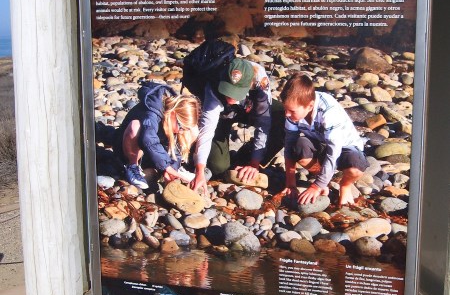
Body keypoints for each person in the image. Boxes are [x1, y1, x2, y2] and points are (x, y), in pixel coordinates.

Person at [190, 57, 284, 195]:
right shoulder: (214, 84)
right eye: (228, 90)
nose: (231, 98)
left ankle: (248, 157)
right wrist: (199, 171)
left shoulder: (260, 79)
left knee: (283, 116)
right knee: (218, 168)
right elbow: (207, 130)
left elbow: (264, 124)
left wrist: (254, 163)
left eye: (236, 93)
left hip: (251, 108)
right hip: (223, 116)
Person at [280, 73, 369, 206]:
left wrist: (316, 186)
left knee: (355, 168)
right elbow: (289, 148)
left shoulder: (329, 112)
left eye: (291, 111)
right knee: (297, 146)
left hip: (345, 148)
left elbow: (333, 154)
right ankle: (324, 178)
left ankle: (344, 186)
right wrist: (290, 184)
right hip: (319, 143)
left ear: (310, 106)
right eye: (285, 109)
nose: (287, 114)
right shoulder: (291, 113)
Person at [114, 81, 200, 190]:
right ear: (173, 114)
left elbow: (174, 144)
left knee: (193, 130)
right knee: (135, 126)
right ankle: (133, 167)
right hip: (129, 148)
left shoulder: (172, 120)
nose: (181, 131)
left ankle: (174, 168)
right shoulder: (152, 113)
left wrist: (172, 168)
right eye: (181, 126)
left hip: (152, 154)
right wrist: (167, 168)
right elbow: (149, 139)